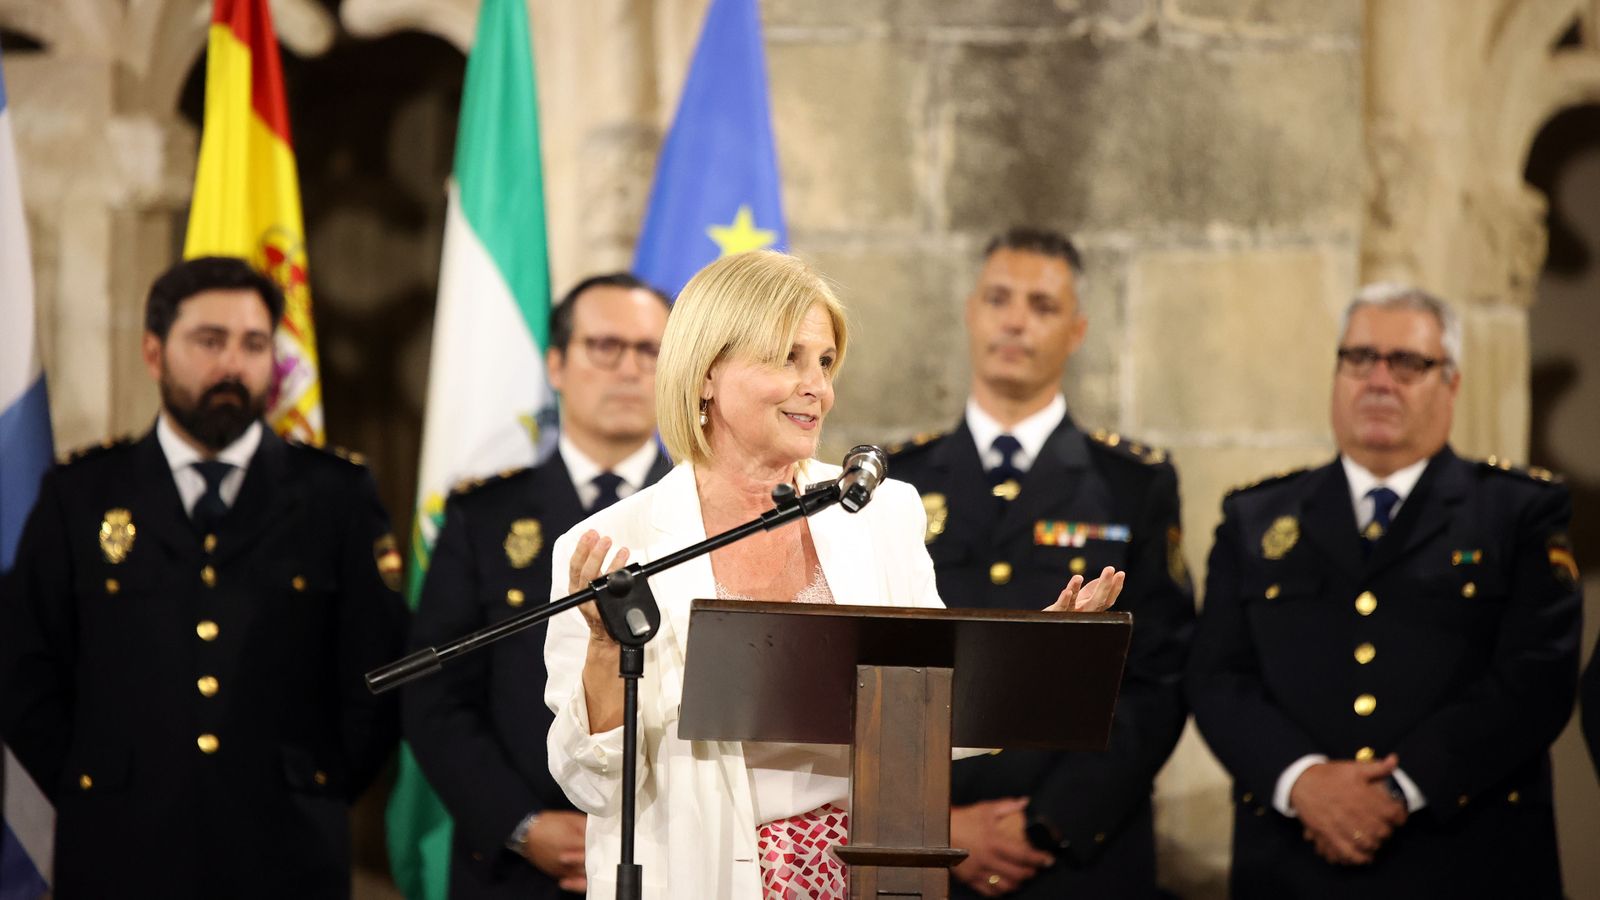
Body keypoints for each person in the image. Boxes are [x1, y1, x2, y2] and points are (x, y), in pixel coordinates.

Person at [542, 250, 1124, 900]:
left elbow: (928, 709)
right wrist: (601, 652)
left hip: (869, 870)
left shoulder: (879, 512)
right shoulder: (616, 545)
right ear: (706, 374)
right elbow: (590, 783)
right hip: (694, 875)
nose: (817, 386)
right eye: (786, 358)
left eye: (823, 361)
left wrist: (1035, 649)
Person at [0, 256, 409, 899]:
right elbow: (24, 668)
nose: (233, 366)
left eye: (253, 345)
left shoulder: (338, 497)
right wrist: (96, 781)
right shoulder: (81, 494)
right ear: (154, 352)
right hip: (118, 849)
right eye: (209, 341)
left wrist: (316, 782)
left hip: (288, 851)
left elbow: (380, 672)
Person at [1187, 283, 1582, 898]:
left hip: (1467, 859)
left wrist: (1398, 791)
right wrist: (1305, 783)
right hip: (1293, 864)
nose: (1378, 380)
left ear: (1450, 384)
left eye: (1407, 364)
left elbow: (1537, 676)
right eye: (1359, 359)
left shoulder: (1517, 512)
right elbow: (1216, 678)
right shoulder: (1256, 518)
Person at [889, 227, 1194, 899]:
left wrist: (1054, 823)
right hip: (922, 850)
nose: (1016, 319)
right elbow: (870, 670)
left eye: (1043, 305)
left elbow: (1160, 675)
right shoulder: (895, 482)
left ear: (1077, 330)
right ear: (971, 311)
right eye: (999, 298)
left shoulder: (1132, 483)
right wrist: (929, 823)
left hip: (1079, 855)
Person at [403, 273, 673, 898]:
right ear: (556, 364)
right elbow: (435, 695)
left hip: (666, 853)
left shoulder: (707, 515)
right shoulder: (483, 515)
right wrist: (520, 824)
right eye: (604, 347)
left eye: (650, 351)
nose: (629, 369)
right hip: (516, 867)